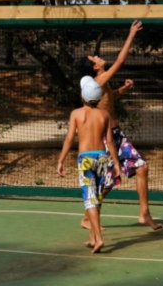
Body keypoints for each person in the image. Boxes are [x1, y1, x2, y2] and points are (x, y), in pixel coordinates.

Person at [84, 20, 163, 231]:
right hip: (106, 137)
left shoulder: (102, 85)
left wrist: (123, 89)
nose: (99, 57)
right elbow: (121, 59)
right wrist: (131, 34)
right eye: (96, 58)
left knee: (142, 167)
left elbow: (108, 100)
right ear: (95, 67)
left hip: (117, 134)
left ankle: (144, 214)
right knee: (109, 180)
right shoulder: (99, 80)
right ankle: (87, 217)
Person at [57, 75, 121, 253]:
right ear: (98, 98)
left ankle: (98, 239)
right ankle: (93, 237)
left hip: (85, 159)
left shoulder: (76, 114)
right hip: (102, 157)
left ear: (83, 96)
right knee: (97, 198)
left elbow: (69, 138)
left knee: (90, 200)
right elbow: (110, 142)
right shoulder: (104, 114)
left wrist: (61, 160)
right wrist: (116, 164)